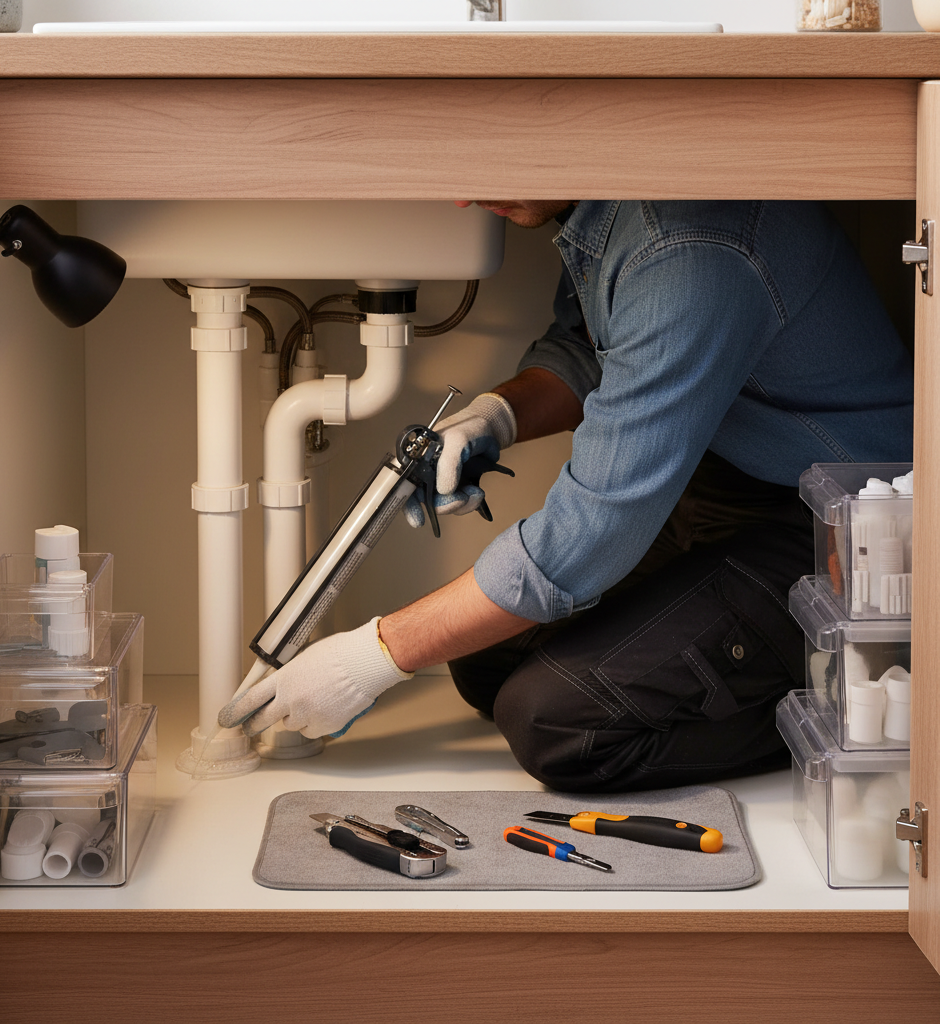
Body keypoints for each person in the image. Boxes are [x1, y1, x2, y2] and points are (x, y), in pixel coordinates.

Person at [219, 199, 914, 793]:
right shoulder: (613, 209)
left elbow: (587, 537)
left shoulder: (691, 251)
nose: (465, 199)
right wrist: (498, 414)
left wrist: (372, 655)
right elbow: (588, 348)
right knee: (485, 661)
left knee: (554, 724)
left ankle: (879, 708)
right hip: (724, 481)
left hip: (842, 532)